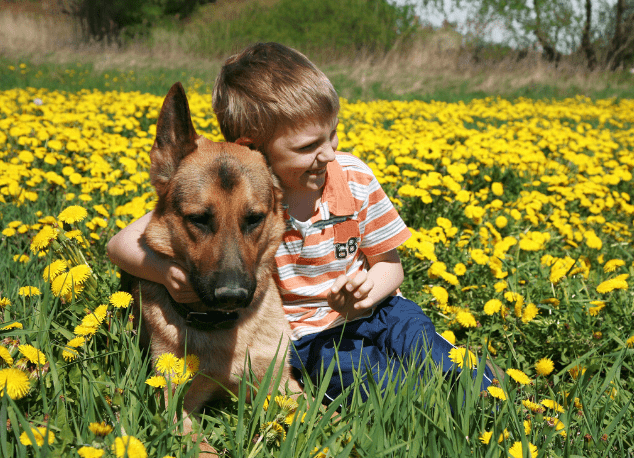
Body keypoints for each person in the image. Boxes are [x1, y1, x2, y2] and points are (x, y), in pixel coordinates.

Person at [107, 42, 495, 402]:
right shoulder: (247, 182)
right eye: (309, 146)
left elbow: (390, 266)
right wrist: (164, 272)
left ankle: (487, 392)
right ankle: (433, 402)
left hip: (383, 309)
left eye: (333, 135)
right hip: (315, 335)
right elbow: (121, 243)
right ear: (254, 148)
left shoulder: (344, 177)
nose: (328, 153)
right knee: (368, 380)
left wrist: (367, 293)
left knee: (428, 345)